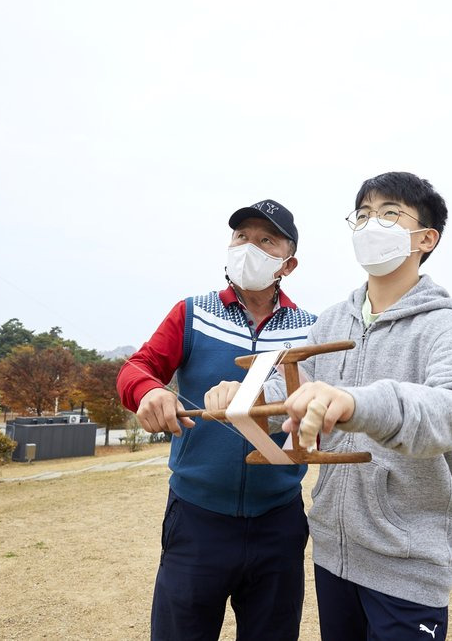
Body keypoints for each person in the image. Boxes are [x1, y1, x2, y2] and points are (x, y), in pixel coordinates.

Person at [206, 172, 452, 640]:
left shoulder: (443, 323)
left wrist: (356, 403)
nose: (371, 224)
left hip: (407, 563)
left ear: (426, 237)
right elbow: (289, 395)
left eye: (389, 214)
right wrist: (248, 396)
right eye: (362, 215)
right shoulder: (334, 320)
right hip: (334, 553)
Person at [116, 199, 316, 641]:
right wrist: (147, 391)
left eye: (266, 240)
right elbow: (138, 367)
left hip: (279, 519)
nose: (250, 247)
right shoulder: (192, 312)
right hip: (196, 517)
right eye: (241, 237)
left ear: (289, 263)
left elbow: (322, 408)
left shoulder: (310, 329)